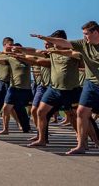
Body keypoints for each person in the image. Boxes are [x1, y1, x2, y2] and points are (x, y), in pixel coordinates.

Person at [32, 22, 99, 154]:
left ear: (95, 33)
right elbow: (65, 43)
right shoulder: (83, 44)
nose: (84, 37)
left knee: (78, 113)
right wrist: (45, 38)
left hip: (73, 88)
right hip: (90, 84)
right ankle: (81, 145)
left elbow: (70, 52)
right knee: (81, 112)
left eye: (86, 34)